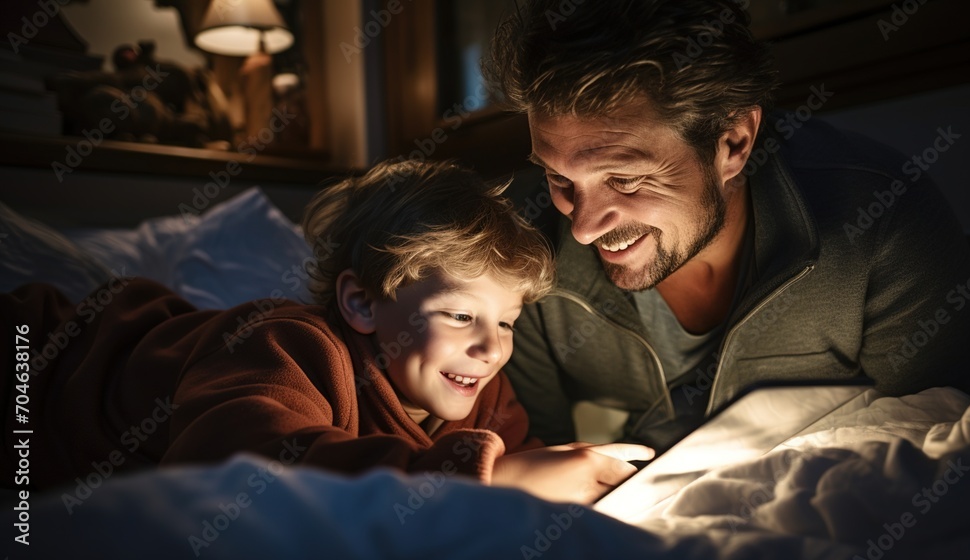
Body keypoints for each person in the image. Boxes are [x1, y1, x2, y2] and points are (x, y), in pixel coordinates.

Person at [483, 0, 970, 449]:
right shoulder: (526, 253)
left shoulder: (883, 217)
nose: (584, 228)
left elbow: (945, 448)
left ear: (733, 143)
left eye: (626, 179)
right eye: (559, 178)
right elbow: (531, 461)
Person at [1, 159, 652, 504]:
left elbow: (513, 461)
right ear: (364, 306)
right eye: (461, 315)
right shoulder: (288, 346)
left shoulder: (481, 389)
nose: (491, 347)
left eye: (506, 321)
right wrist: (497, 480)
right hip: (38, 365)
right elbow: (236, 470)